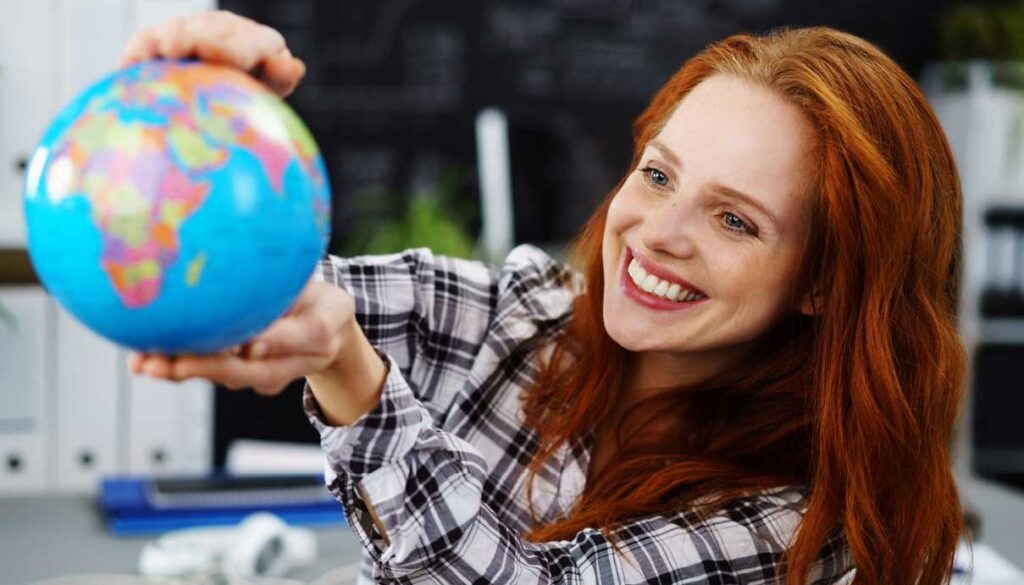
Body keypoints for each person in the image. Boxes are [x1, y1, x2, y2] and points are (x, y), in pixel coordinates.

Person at [123, 10, 967, 585]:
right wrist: (208, 127)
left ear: (824, 279)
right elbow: (299, 295)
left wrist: (349, 368)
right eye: (659, 174)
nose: (657, 232)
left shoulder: (795, 526)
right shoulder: (533, 315)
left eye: (735, 220)